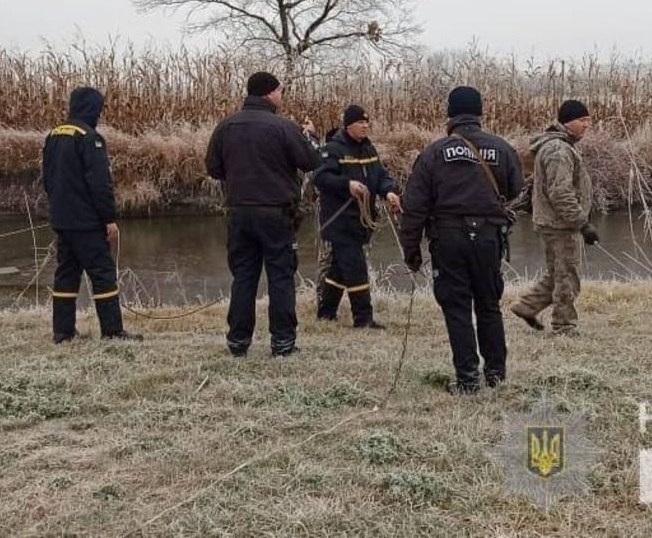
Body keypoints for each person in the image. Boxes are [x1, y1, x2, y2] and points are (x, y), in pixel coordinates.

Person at [397, 86, 523, 394]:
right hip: (489, 239)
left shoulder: (433, 153)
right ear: (480, 113)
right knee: (488, 305)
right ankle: (496, 374)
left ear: (449, 114)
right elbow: (517, 189)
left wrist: (410, 249)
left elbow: (414, 207)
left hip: (449, 238)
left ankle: (467, 379)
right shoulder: (502, 148)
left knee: (457, 307)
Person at [205, 71, 320, 357]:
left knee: (243, 276)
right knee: (280, 276)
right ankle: (282, 343)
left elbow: (213, 168)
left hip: (238, 213)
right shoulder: (284, 127)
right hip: (277, 213)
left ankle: (238, 341)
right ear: (269, 93)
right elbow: (310, 161)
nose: (282, 96)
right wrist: (311, 137)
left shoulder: (226, 126)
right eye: (280, 91)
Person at [42, 86, 142, 344]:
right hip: (87, 223)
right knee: (102, 274)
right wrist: (109, 219)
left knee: (66, 274)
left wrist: (59, 209)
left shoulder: (54, 135)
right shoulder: (90, 138)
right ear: (92, 108)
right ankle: (112, 331)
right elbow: (100, 185)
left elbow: (48, 179)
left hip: (62, 219)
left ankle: (62, 332)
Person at [508, 100, 599, 336]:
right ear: (567, 122)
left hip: (553, 222)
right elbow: (560, 192)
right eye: (582, 120)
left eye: (588, 120)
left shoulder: (560, 146)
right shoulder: (558, 150)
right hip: (560, 224)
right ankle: (564, 327)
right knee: (568, 275)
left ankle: (527, 306)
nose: (587, 125)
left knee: (559, 271)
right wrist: (582, 223)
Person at [312, 105, 402, 328]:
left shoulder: (369, 149)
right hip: (340, 220)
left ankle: (326, 313)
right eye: (360, 122)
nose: (365, 126)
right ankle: (364, 319)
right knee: (355, 268)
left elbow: (381, 176)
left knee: (340, 268)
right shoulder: (333, 149)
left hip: (361, 221)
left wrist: (389, 191)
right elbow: (321, 178)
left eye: (366, 122)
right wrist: (347, 184)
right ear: (348, 125)